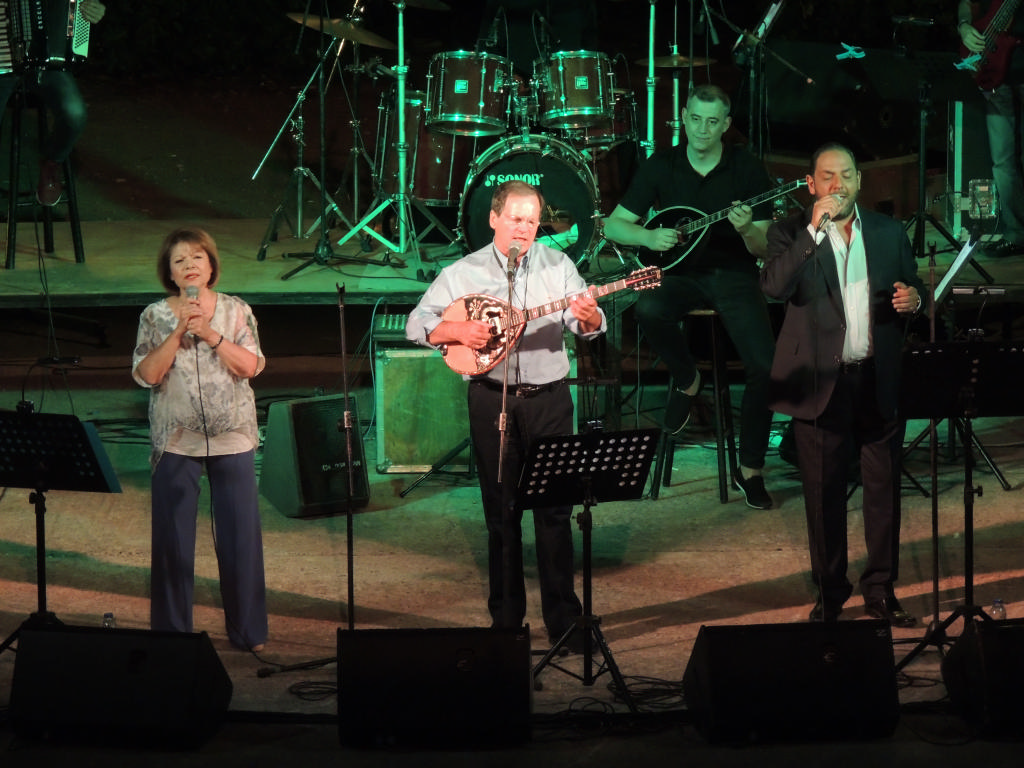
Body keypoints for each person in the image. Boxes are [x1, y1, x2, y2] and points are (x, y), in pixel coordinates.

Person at [406, 180, 605, 650]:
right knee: (502, 513)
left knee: (555, 512)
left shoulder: (559, 265)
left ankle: (565, 621)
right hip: (491, 398)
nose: (523, 228)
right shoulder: (463, 272)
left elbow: (583, 324)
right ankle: (506, 624)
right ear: (494, 218)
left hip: (549, 400)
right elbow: (418, 323)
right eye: (515, 218)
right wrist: (456, 330)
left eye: (532, 221)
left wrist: (591, 316)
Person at [761, 142, 925, 628]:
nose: (839, 185)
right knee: (822, 495)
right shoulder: (789, 232)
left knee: (883, 492)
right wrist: (814, 230)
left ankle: (881, 589)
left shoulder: (888, 230)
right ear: (811, 184)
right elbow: (773, 288)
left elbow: (913, 285)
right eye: (828, 176)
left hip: (876, 378)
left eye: (848, 175)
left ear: (859, 180)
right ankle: (830, 592)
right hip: (819, 382)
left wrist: (915, 299)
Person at [602, 83, 776, 510]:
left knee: (766, 367)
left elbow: (764, 246)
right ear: (683, 117)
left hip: (733, 273)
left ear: (726, 125)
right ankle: (687, 378)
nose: (702, 129)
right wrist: (648, 236)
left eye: (712, 122)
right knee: (647, 307)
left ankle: (750, 469)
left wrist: (746, 229)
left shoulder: (745, 167)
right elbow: (613, 225)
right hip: (678, 274)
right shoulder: (662, 165)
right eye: (695, 119)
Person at [132, 227, 268, 652]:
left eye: (197, 257)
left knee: (241, 539)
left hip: (232, 436)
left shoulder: (235, 310)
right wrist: (177, 332)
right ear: (170, 274)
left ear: (210, 267)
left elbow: (251, 366)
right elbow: (147, 375)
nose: (189, 265)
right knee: (172, 542)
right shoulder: (154, 316)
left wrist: (210, 334)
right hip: (177, 439)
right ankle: (172, 637)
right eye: (179, 260)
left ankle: (248, 631)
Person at [0, 0, 105, 206]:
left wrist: (92, 9)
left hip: (46, 65)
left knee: (74, 113)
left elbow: (82, 5)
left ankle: (51, 163)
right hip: (2, 64)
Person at [958, 1, 1024, 256]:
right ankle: (1016, 234)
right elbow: (966, 2)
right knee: (1002, 161)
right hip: (995, 74)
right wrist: (964, 26)